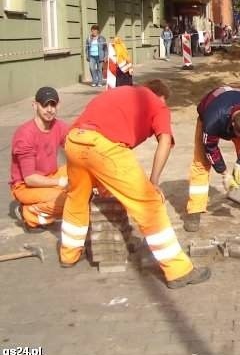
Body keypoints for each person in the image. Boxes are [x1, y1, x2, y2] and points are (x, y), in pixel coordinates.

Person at [59, 80, 211, 289]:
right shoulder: (157, 104)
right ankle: (178, 271)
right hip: (103, 147)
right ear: (160, 96)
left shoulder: (118, 92)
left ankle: (69, 255)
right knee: (149, 203)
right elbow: (165, 142)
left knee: (76, 197)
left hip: (74, 141)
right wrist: (154, 182)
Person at [184, 86, 240, 232]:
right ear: (233, 127)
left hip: (235, 111)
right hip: (210, 112)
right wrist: (224, 173)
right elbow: (210, 148)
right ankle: (194, 211)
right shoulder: (212, 121)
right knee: (201, 163)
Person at [9, 87, 69, 232]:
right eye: (44, 105)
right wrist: (60, 182)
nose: (49, 110)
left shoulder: (59, 126)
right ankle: (28, 213)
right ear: (35, 105)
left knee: (84, 177)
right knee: (70, 200)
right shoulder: (25, 135)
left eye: (53, 105)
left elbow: (75, 147)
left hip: (50, 176)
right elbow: (29, 179)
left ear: (58, 106)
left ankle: (42, 211)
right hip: (25, 186)